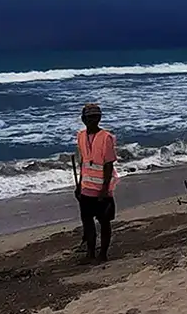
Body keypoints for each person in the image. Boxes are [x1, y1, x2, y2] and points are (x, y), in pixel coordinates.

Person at [75, 102, 119, 262]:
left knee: (104, 222)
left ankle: (103, 254)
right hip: (86, 188)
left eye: (95, 117)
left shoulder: (106, 137)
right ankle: (90, 253)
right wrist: (79, 186)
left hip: (102, 188)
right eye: (89, 118)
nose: (93, 120)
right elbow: (83, 162)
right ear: (83, 119)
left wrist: (104, 190)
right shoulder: (80, 136)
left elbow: (108, 165)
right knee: (87, 222)